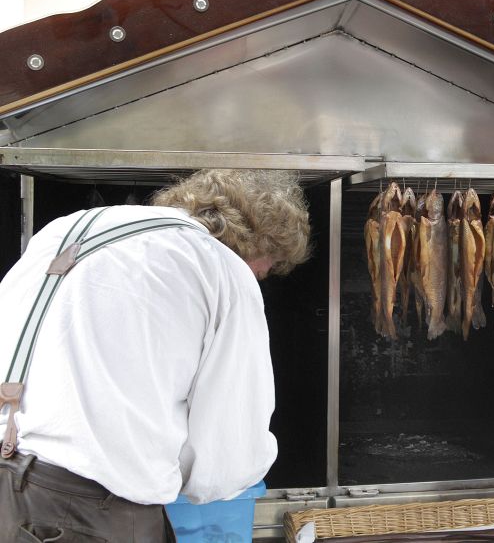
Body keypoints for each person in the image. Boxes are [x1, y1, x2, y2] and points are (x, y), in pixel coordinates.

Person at [0, 169, 312, 542]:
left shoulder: (64, 230)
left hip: (9, 483)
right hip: (91, 512)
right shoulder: (219, 267)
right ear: (260, 240)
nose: (263, 275)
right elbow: (229, 447)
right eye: (270, 265)